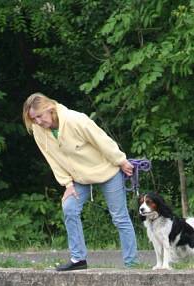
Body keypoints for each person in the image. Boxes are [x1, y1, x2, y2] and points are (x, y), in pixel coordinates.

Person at [22, 93, 137, 271]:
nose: (37, 121)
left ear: (50, 109)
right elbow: (52, 158)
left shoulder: (76, 120)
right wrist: (67, 184)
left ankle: (132, 264)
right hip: (78, 177)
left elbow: (102, 141)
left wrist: (121, 161)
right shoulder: (38, 130)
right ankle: (78, 259)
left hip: (107, 170)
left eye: (39, 116)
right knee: (69, 208)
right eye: (33, 118)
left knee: (119, 217)